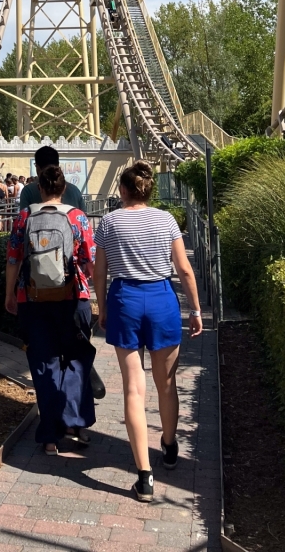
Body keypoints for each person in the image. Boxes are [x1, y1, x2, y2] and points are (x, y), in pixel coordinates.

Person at [93, 160, 203, 504]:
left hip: (125, 298)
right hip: (161, 299)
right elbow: (183, 269)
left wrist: (103, 307)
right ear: (148, 190)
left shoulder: (109, 222)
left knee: (132, 388)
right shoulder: (166, 220)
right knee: (166, 383)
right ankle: (169, 447)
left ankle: (144, 476)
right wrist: (196, 309)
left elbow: (99, 271)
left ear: (123, 191)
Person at [5, 164, 96, 455]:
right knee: (76, 360)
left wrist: (10, 294)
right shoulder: (78, 218)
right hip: (74, 298)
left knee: (44, 365)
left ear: (40, 188)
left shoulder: (23, 217)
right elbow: (89, 261)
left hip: (32, 298)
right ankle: (76, 424)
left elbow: (13, 259)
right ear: (64, 189)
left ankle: (49, 437)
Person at [19, 146, 85, 213]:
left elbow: (23, 220)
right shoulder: (74, 190)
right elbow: (85, 218)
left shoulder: (28, 191)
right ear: (64, 189)